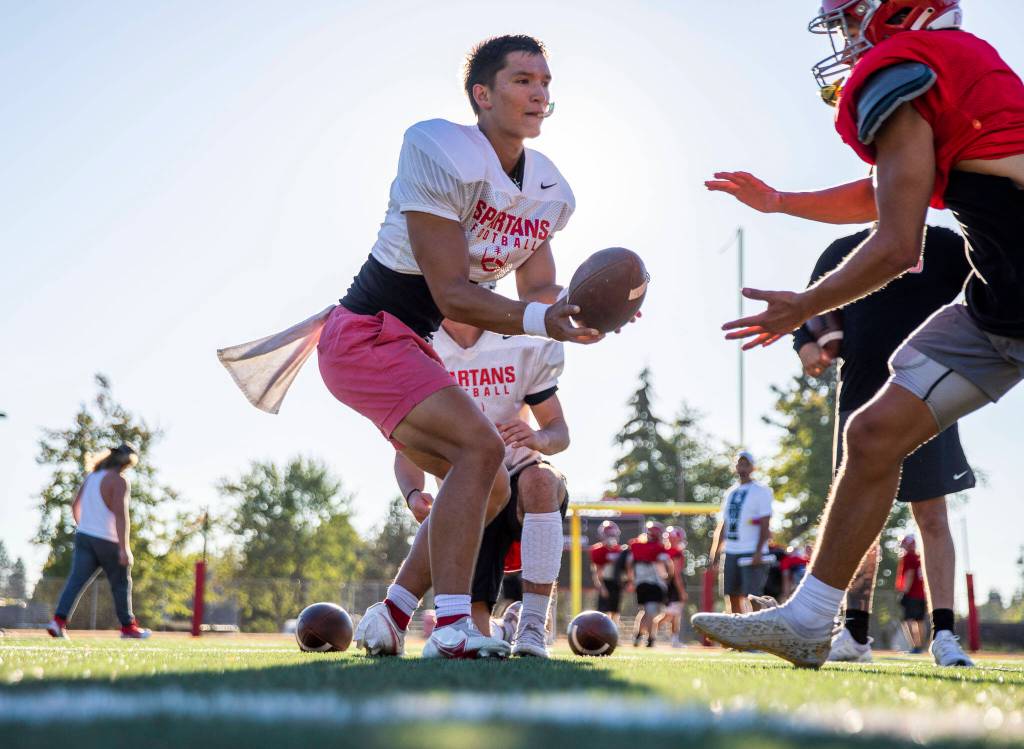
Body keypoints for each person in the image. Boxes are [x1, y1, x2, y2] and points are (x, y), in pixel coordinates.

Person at [219, 35, 602, 660]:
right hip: (365, 334)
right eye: (523, 80)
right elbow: (452, 294)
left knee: (493, 487)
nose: (540, 93)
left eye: (545, 81)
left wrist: (585, 311)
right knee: (480, 449)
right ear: (482, 95)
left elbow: (540, 287)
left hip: (408, 345)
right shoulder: (439, 147)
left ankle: (391, 615)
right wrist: (547, 317)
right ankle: (448, 628)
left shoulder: (547, 190)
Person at [693, 0, 1024, 669]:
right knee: (872, 433)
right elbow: (895, 184)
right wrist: (783, 201)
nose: (848, 40)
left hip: (1008, 292)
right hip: (1002, 302)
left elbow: (897, 241)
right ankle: (812, 620)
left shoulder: (902, 65)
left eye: (850, 20)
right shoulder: (957, 64)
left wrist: (804, 306)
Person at [792, 226, 975, 666]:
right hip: (859, 397)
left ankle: (945, 636)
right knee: (857, 520)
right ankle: (854, 635)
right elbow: (808, 318)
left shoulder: (946, 245)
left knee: (932, 516)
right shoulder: (841, 249)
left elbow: (995, 286)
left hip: (930, 391)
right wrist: (807, 349)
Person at [355, 315, 570, 658]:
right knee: (477, 638)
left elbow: (560, 431)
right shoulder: (421, 346)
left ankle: (531, 625)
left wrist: (539, 437)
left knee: (541, 480)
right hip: (471, 496)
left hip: (520, 474)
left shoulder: (517, 340)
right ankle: (504, 627)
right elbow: (409, 447)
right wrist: (413, 494)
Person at [46, 444, 150, 640]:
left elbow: (75, 505)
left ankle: (58, 622)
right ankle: (128, 628)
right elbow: (121, 516)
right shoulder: (119, 481)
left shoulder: (92, 477)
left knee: (75, 582)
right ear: (127, 462)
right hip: (107, 540)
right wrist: (124, 548)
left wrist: (84, 526)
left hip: (84, 536)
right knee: (121, 583)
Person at [708, 451, 774, 613]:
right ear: (735, 467)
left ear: (753, 468)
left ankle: (757, 633)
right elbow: (724, 524)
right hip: (731, 551)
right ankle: (737, 634)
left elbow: (765, 523)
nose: (742, 467)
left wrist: (759, 551)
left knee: (753, 596)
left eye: (746, 464)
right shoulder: (731, 492)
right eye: (740, 464)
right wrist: (714, 553)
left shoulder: (761, 490)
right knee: (731, 595)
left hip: (751, 551)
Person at [625, 521, 672, 647]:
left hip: (640, 583)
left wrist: (631, 580)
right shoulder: (658, 548)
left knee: (646, 611)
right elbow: (668, 566)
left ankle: (638, 636)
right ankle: (650, 638)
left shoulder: (637, 546)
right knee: (650, 611)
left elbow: (629, 564)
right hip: (654, 584)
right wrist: (667, 579)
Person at [654, 525, 688, 647]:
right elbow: (676, 574)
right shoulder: (675, 552)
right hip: (674, 586)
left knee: (673, 614)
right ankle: (651, 633)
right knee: (671, 614)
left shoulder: (664, 552)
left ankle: (674, 639)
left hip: (666, 585)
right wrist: (682, 591)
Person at [896, 533, 929, 654]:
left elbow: (909, 574)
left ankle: (915, 646)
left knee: (908, 621)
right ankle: (920, 646)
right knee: (919, 621)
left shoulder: (908, 557)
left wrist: (904, 592)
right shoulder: (919, 557)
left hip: (912, 594)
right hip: (922, 594)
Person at [590, 520, 626, 623]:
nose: (611, 537)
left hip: (616, 581)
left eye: (613, 534)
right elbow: (597, 570)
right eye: (609, 535)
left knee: (615, 609)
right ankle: (602, 629)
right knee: (603, 610)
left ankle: (613, 629)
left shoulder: (619, 550)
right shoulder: (598, 550)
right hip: (605, 581)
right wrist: (601, 586)